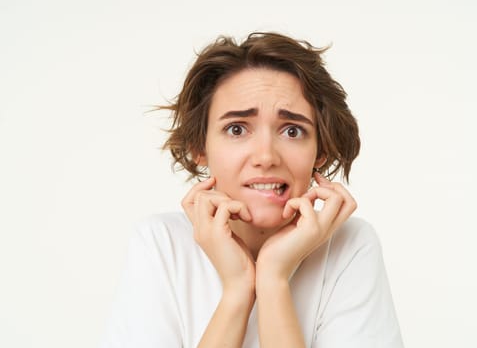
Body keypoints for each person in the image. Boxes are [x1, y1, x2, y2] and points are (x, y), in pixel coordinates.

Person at [100, 32, 404, 348]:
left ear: (321, 150)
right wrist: (237, 290)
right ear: (199, 148)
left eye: (292, 130)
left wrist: (272, 280)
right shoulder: (161, 244)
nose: (265, 157)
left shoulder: (350, 245)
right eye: (236, 129)